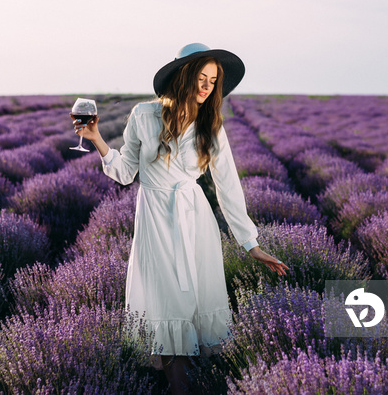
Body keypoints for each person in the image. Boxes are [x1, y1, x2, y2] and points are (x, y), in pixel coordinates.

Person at [73, 43, 288, 394]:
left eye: (212, 80)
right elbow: (126, 172)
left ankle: (193, 385)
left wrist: (251, 244)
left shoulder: (211, 126)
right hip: (155, 218)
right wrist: (96, 138)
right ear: (183, 76)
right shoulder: (143, 115)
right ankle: (180, 388)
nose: (206, 86)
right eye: (201, 77)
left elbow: (228, 187)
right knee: (168, 302)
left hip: (194, 218)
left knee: (194, 304)